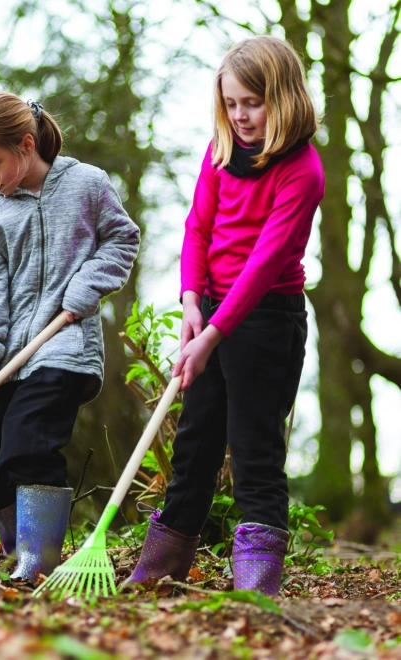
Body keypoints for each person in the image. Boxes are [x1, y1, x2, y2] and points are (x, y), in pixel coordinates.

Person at [125, 35, 325, 596]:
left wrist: (212, 334)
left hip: (266, 318)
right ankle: (162, 568)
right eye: (231, 103)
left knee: (254, 444)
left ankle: (256, 585)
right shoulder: (219, 154)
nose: (240, 115)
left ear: (282, 99)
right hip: (210, 310)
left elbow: (264, 264)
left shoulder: (303, 171)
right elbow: (198, 227)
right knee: (195, 443)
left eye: (252, 103)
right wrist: (192, 302)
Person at [0, 92, 140, 581]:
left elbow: (123, 238)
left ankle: (38, 564)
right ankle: (19, 551)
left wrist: (83, 289)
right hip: (6, 355)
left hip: (64, 347)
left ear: (26, 145)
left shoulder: (87, 185)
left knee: (27, 446)